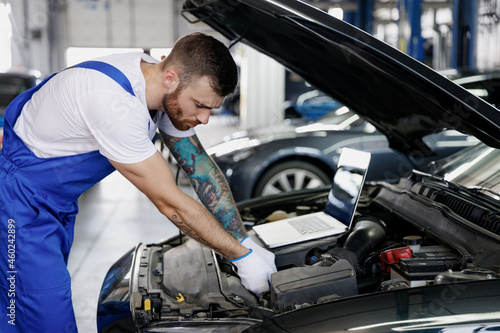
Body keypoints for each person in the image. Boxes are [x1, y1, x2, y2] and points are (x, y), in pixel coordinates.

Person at [0, 32, 277, 332]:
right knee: (44, 315)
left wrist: (243, 238)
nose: (205, 118)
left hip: (55, 203)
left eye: (211, 108)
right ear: (170, 78)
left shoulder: (158, 84)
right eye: (200, 105)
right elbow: (171, 203)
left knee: (16, 309)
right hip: (21, 205)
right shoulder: (115, 103)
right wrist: (240, 256)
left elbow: (201, 169)